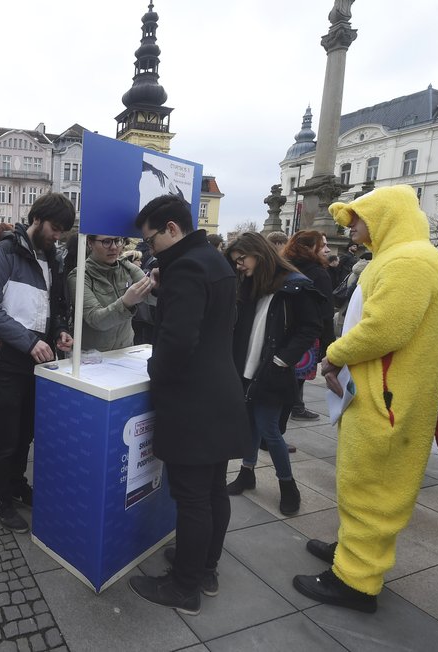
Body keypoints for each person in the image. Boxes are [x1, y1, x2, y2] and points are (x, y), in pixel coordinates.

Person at [294, 185, 438, 613]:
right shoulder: (407, 257)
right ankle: (352, 553)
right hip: (386, 394)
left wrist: (333, 355)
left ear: (384, 215)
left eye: (357, 219)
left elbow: (384, 328)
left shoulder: (410, 261)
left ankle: (356, 582)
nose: (352, 228)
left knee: (372, 487)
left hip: (388, 399)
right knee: (362, 481)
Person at [126, 194, 251, 616]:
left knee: (193, 498)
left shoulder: (184, 269)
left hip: (193, 402)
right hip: (221, 392)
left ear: (172, 229)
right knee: (214, 490)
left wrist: (155, 372)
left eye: (151, 240)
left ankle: (184, 586)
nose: (149, 249)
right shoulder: (214, 261)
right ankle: (204, 568)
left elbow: (177, 344)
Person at [0, 195, 74, 533]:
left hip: (36, 363)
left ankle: (16, 484)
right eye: (55, 229)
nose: (57, 236)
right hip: (5, 361)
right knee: (4, 435)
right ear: (36, 218)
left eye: (62, 232)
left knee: (25, 433)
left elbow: (53, 306)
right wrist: (30, 341)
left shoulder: (51, 259)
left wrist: (59, 330)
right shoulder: (3, 253)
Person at [223, 233, 322, 515]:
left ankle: (288, 485)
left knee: (268, 428)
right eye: (236, 261)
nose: (239, 266)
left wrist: (282, 360)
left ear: (260, 253)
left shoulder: (295, 286)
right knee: (250, 426)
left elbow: (310, 327)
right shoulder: (254, 284)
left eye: (242, 259)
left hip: (272, 372)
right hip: (247, 369)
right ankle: (247, 472)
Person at [282, 230, 335, 421]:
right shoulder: (319, 273)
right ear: (310, 248)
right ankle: (280, 424)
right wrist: (328, 344)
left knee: (286, 379)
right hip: (307, 338)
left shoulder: (285, 267)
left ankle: (293, 408)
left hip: (284, 334)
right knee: (296, 380)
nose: (327, 250)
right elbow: (326, 313)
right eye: (323, 245)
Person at [66, 235, 153, 351]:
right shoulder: (80, 276)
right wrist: (126, 302)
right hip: (92, 357)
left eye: (118, 241)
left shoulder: (127, 268)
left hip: (124, 351)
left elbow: (151, 296)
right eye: (106, 242)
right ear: (90, 243)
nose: (114, 247)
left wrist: (156, 287)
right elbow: (96, 319)